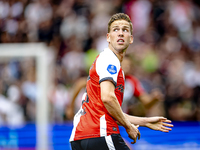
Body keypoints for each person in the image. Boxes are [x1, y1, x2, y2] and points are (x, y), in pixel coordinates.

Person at [69, 13, 173, 150]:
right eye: (115, 29)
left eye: (125, 30)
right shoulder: (110, 59)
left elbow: (111, 110)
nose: (120, 33)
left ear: (131, 39)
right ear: (108, 37)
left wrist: (145, 122)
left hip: (80, 137)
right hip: (100, 134)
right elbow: (108, 98)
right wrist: (129, 127)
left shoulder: (110, 64)